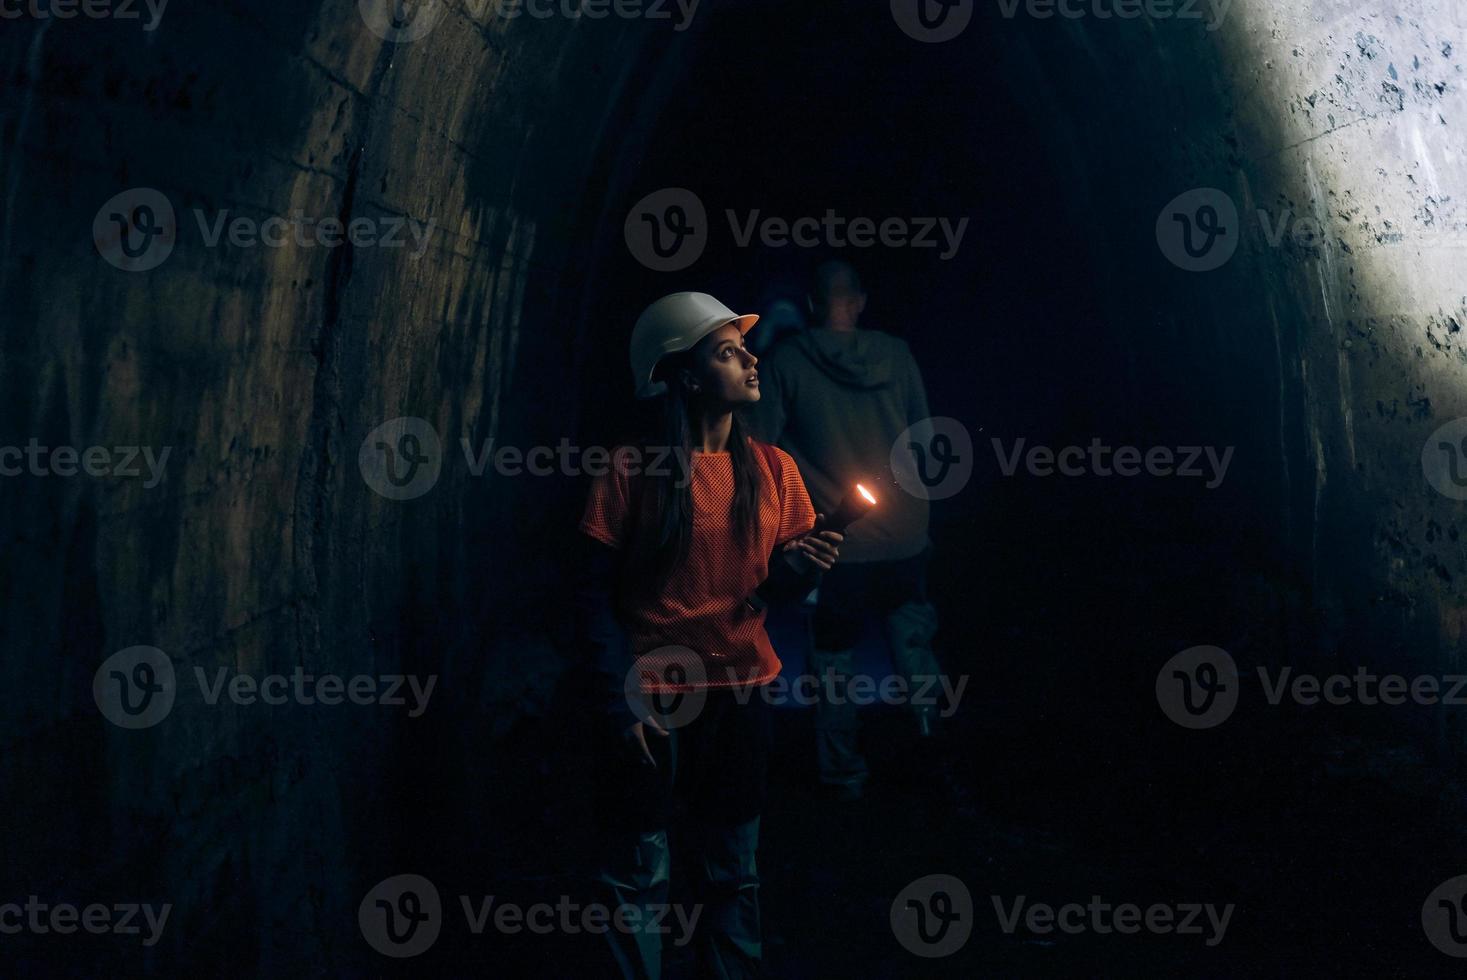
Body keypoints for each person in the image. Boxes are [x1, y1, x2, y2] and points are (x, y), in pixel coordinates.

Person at [573, 291, 845, 979]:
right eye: (727, 352)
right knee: (639, 877)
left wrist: (795, 568)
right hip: (654, 701)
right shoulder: (633, 470)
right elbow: (589, 595)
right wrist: (618, 701)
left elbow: (768, 595)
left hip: (741, 696)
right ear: (686, 376)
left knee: (730, 872)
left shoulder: (774, 471)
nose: (751, 358)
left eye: (743, 347)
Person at [746, 259, 943, 803]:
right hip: (906, 534)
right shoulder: (898, 356)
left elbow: (755, 449)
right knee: (914, 643)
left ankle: (843, 774)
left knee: (834, 657)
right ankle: (930, 753)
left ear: (811, 305)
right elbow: (926, 438)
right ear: (858, 301)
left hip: (839, 542)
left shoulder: (784, 363)